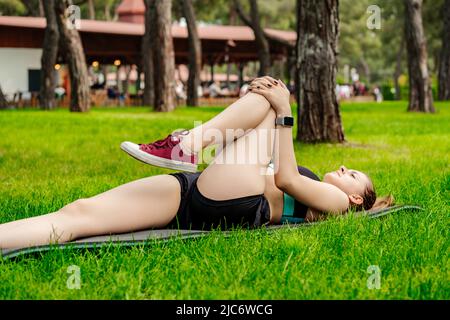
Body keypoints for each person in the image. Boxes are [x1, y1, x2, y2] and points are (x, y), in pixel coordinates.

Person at [0, 76, 393, 250]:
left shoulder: (338, 205)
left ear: (356, 200)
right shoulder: (334, 193)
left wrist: (284, 110)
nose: (345, 169)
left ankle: (189, 143)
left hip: (239, 205)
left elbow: (287, 179)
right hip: (196, 193)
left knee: (270, 102)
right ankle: (190, 144)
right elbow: (274, 162)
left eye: (353, 175)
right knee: (79, 213)